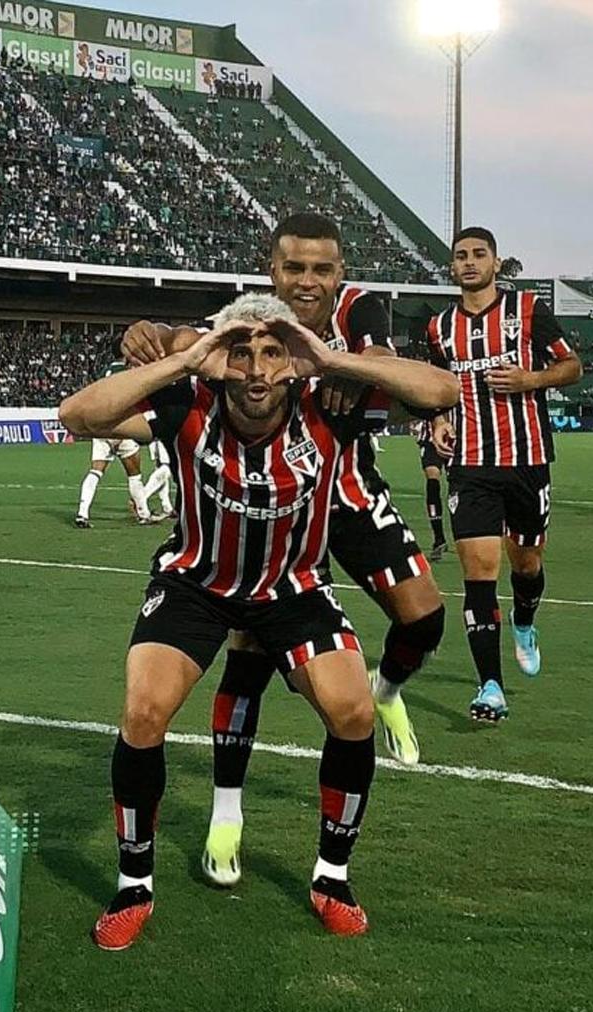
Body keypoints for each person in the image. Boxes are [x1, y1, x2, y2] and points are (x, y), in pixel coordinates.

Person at [59, 294, 458, 950]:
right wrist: (184, 361)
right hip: (196, 583)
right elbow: (77, 416)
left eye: (272, 352)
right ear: (222, 357)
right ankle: (134, 885)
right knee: (143, 712)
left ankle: (331, 877)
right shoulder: (188, 403)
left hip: (293, 590)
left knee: (353, 712)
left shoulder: (328, 405)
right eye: (241, 352)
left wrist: (329, 358)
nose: (255, 369)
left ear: (292, 359)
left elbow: (439, 391)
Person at [122, 213, 448, 891]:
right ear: (270, 271)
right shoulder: (251, 322)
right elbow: (190, 341)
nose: (306, 282)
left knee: (423, 614)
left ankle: (383, 692)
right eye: (292, 269)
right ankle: (225, 815)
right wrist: (157, 333)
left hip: (343, 488)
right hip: (263, 502)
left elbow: (418, 383)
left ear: (340, 275)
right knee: (247, 651)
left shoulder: (360, 314)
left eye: (320, 270)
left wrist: (332, 363)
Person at [427, 227, 583, 723]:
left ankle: (524, 619)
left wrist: (530, 379)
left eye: (479, 255)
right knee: (477, 574)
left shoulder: (529, 310)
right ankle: (489, 685)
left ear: (496, 263)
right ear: (451, 268)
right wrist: (439, 419)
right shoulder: (438, 329)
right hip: (471, 466)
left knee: (527, 565)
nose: (469, 263)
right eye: (460, 257)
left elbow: (573, 366)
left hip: (527, 459)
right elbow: (437, 386)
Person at [74, 358, 155, 528]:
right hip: (123, 427)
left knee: (95, 471)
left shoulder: (102, 373)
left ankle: (82, 513)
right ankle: (144, 514)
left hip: (103, 428)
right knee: (134, 475)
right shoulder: (129, 373)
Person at [414, 418, 449, 558]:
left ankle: (465, 535)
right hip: (429, 441)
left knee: (458, 487)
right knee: (432, 481)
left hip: (456, 439)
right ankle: (439, 537)